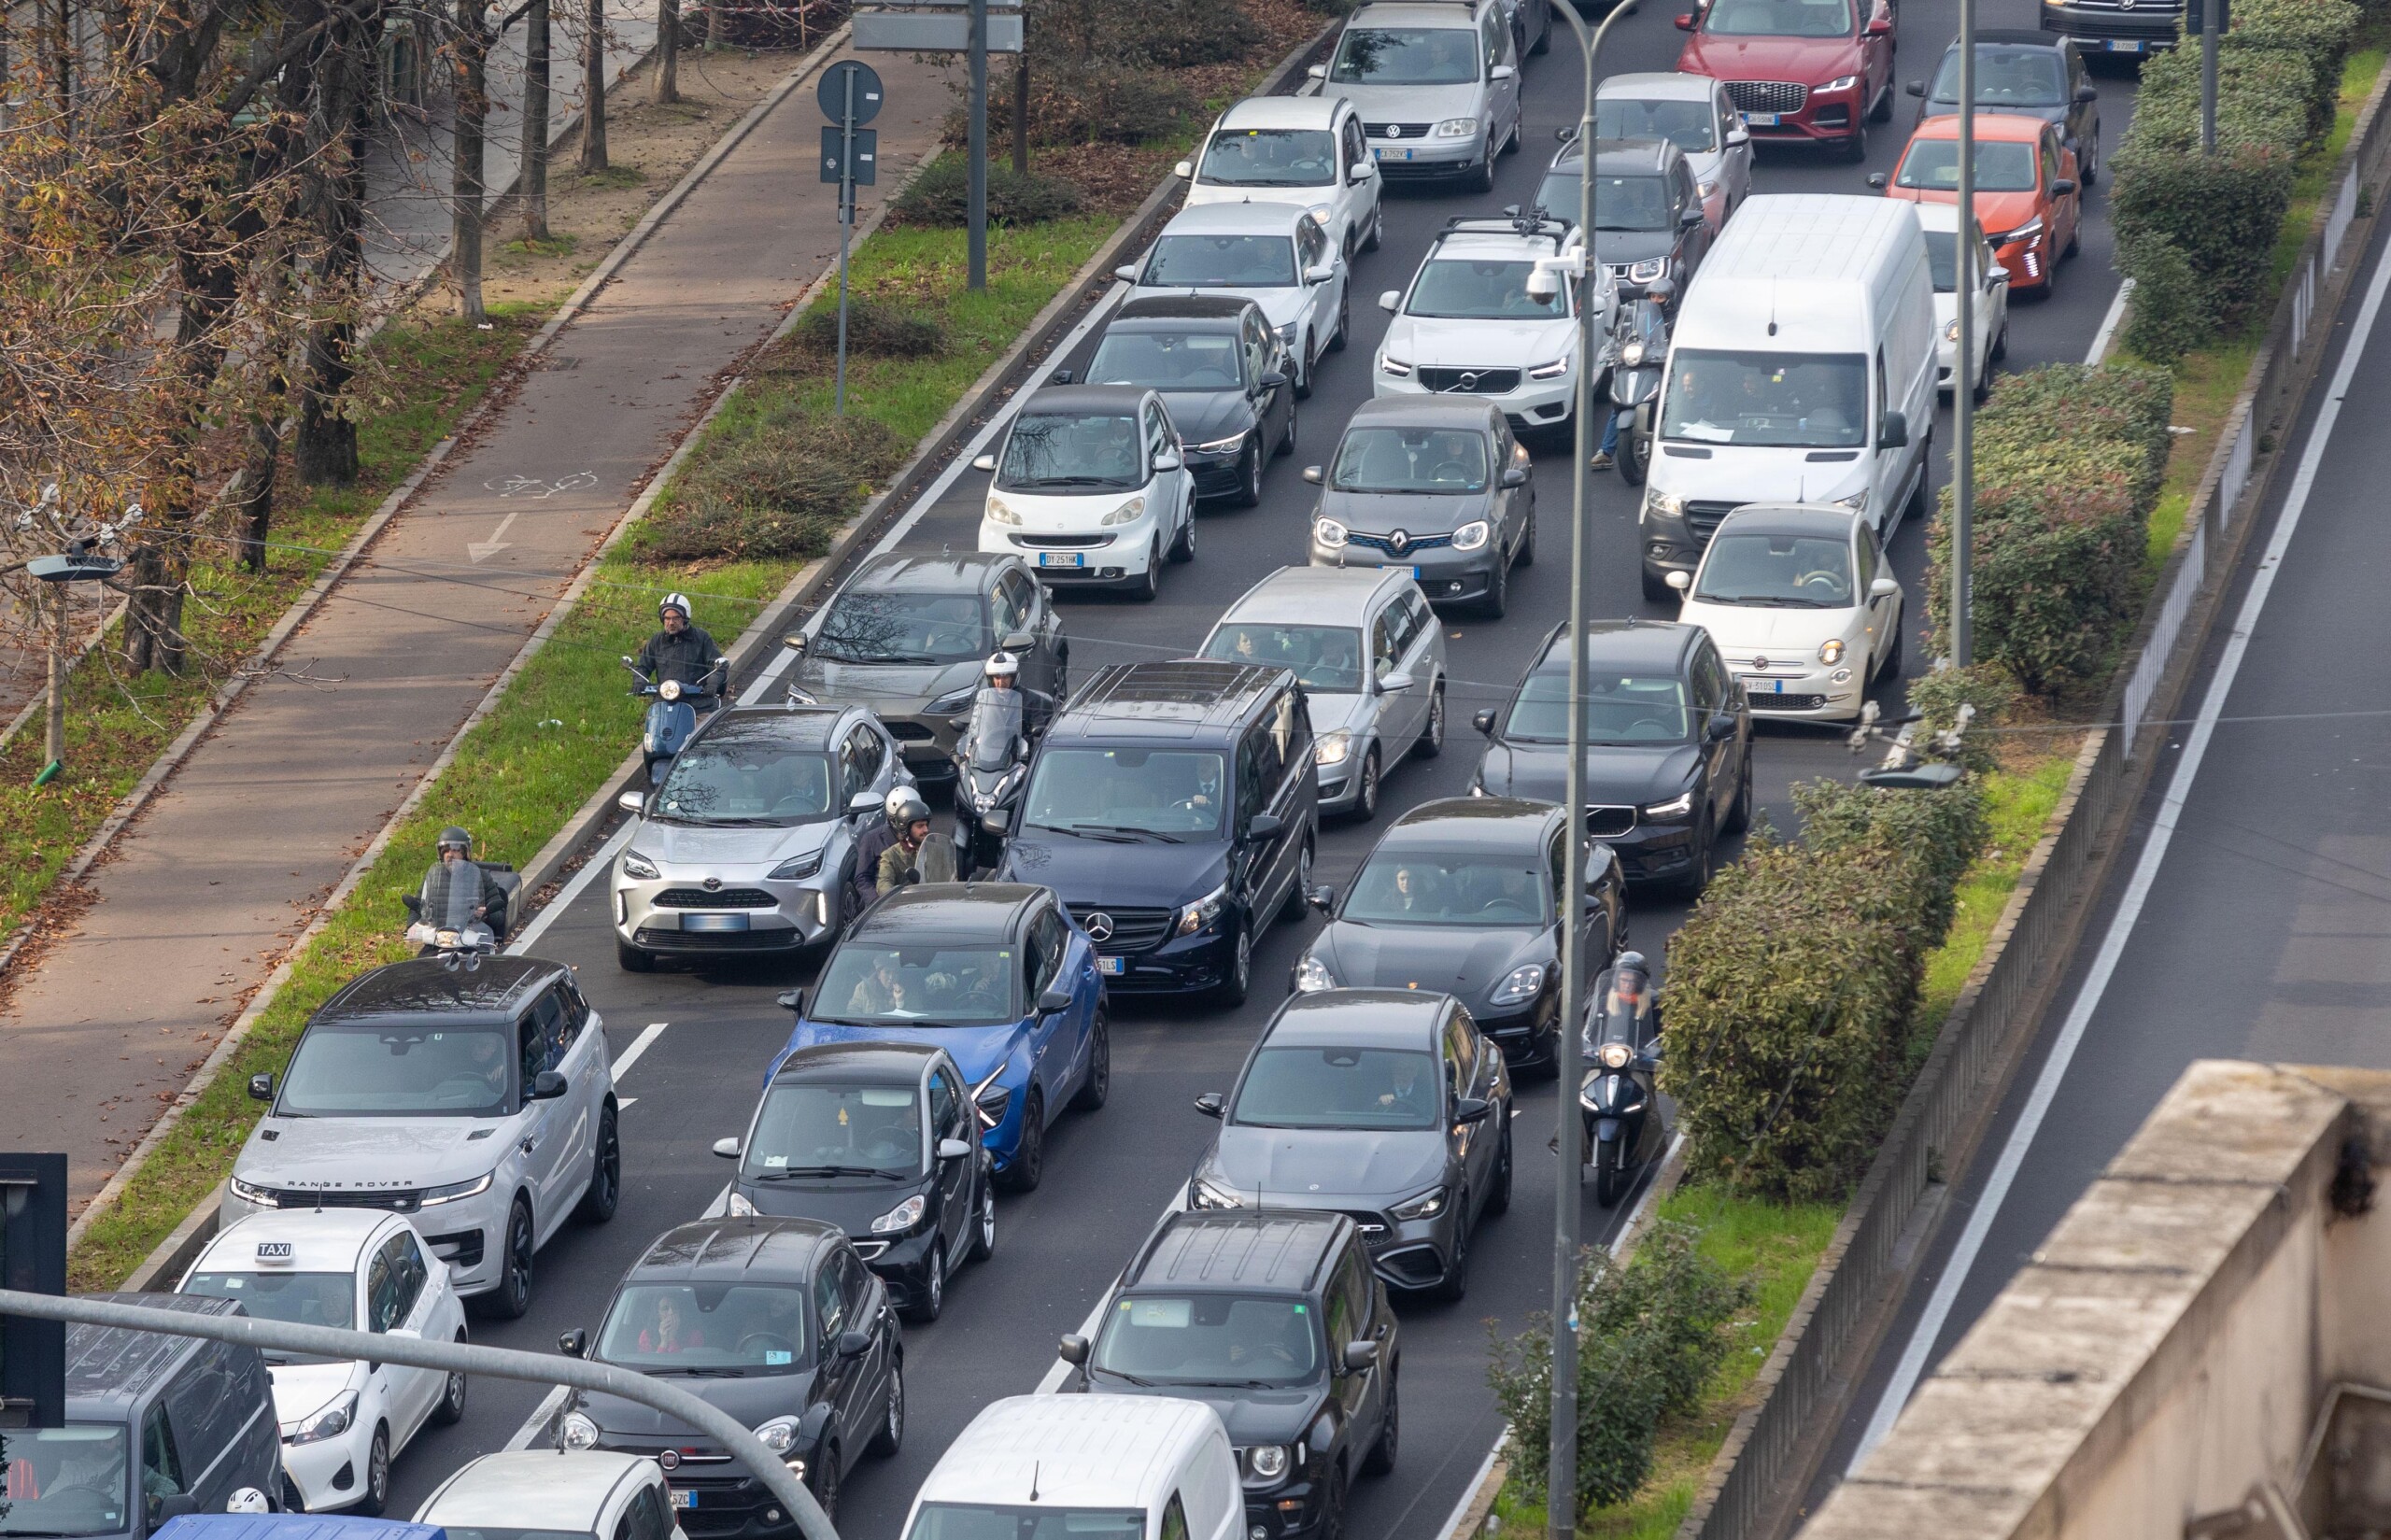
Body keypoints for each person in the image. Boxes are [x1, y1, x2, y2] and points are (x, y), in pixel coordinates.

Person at [417, 827, 507, 936]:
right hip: (438, 938)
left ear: (466, 853)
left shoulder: (482, 877)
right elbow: (417, 906)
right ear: (441, 854)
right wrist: (412, 927)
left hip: (472, 938)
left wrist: (486, 914)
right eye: (445, 851)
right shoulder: (433, 877)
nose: (450, 855)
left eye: (455, 850)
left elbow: (499, 914)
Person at [634, 592, 724, 697]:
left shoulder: (702, 638)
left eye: (676, 618)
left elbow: (717, 666)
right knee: (652, 714)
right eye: (667, 618)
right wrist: (639, 681)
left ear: (685, 618)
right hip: (664, 702)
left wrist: (712, 683)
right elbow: (643, 667)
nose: (671, 622)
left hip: (698, 703)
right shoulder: (657, 640)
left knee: (708, 714)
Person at [849, 784, 918, 920]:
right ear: (894, 820)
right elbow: (862, 879)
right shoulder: (871, 839)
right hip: (884, 909)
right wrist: (877, 903)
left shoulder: (924, 838)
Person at [878, 789, 958, 893]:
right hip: (908, 905)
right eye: (920, 826)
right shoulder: (890, 856)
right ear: (906, 828)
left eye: (926, 825)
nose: (926, 830)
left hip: (937, 902)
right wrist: (895, 896)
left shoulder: (937, 851)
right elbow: (884, 884)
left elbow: (950, 879)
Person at [639, 1293, 704, 1354]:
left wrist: (671, 1339)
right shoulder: (647, 1335)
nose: (671, 1312)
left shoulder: (694, 1335)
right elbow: (649, 1365)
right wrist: (664, 1342)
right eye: (665, 1308)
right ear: (658, 1314)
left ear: (679, 1312)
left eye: (674, 1307)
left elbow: (685, 1364)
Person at [847, 954, 911, 1016]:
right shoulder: (863, 988)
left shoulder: (908, 988)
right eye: (887, 972)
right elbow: (852, 1012)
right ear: (878, 974)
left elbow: (913, 1017)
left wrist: (899, 1001)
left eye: (895, 972)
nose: (891, 977)